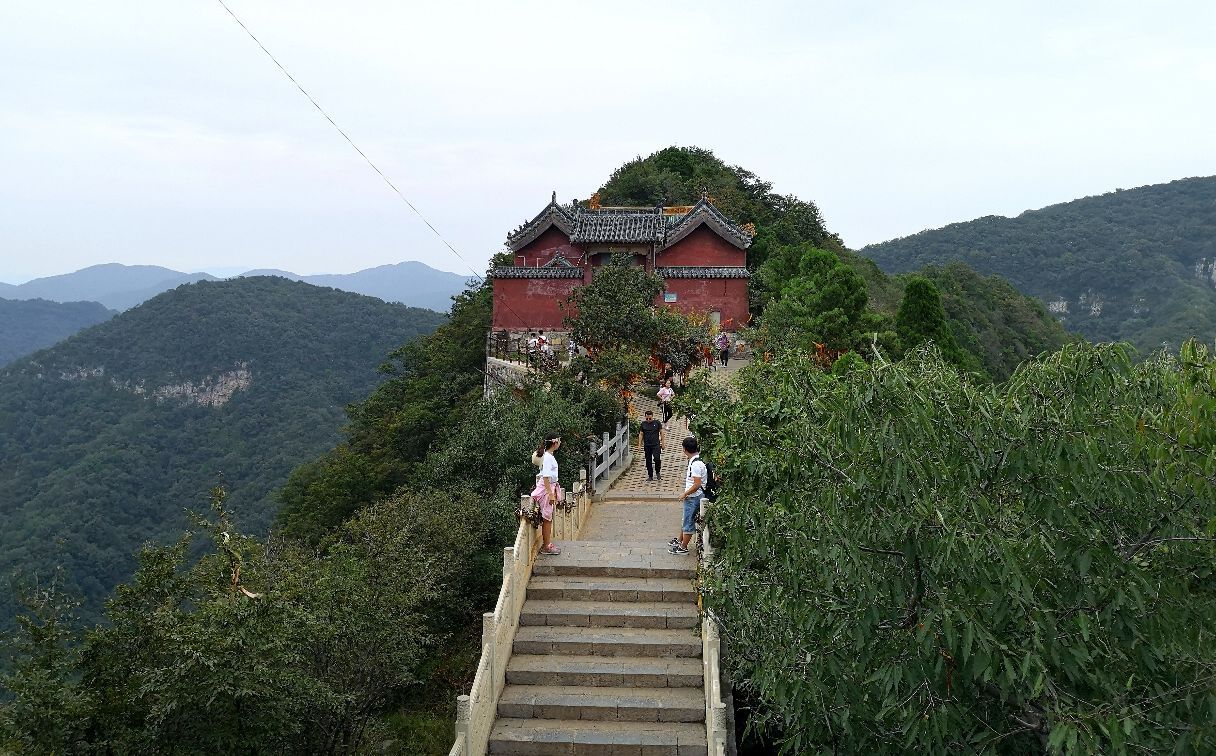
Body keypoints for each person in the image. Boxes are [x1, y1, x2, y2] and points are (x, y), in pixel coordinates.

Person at [669, 436, 706, 555]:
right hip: (696, 496)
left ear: (684, 449)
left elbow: (697, 484)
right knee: (686, 519)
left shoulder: (695, 465)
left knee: (688, 522)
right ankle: (680, 541)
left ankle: (683, 547)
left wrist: (685, 494)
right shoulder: (697, 460)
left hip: (693, 497)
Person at [530, 433, 563, 555]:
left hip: (550, 487)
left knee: (547, 518)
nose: (560, 443)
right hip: (547, 489)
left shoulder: (549, 455)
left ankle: (547, 544)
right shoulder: (548, 457)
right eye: (559, 441)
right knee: (547, 518)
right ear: (555, 443)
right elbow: (546, 476)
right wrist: (550, 494)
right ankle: (546, 546)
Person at [638, 410, 665, 481]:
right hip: (647, 445)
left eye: (650, 418)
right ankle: (650, 475)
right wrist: (639, 444)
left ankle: (658, 472)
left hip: (656, 444)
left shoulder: (657, 423)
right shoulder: (643, 424)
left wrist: (663, 443)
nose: (648, 420)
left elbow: (661, 432)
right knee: (648, 460)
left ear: (652, 417)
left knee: (657, 458)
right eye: (647, 419)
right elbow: (641, 434)